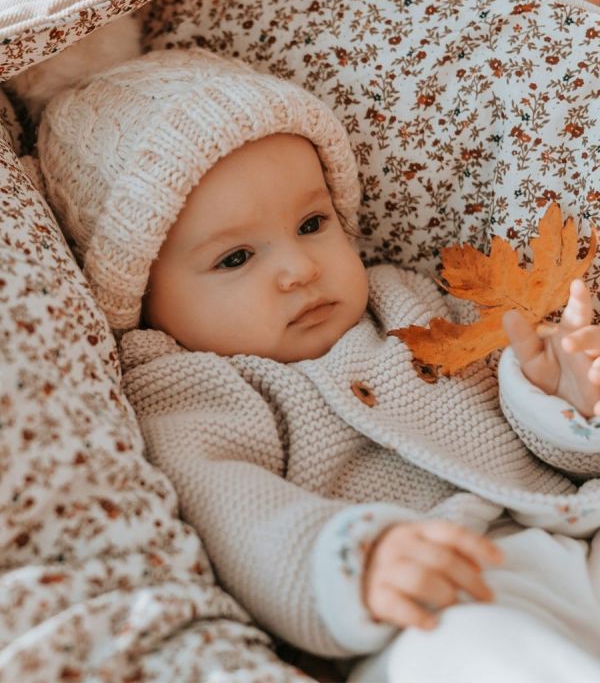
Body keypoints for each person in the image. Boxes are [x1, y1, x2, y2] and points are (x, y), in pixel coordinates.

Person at [38, 47, 600, 682]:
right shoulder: (192, 388)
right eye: (235, 259)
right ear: (141, 296)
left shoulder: (406, 300)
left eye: (311, 223)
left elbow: (538, 431)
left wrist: (563, 401)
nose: (299, 268)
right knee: (463, 655)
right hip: (435, 600)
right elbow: (234, 515)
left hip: (572, 526)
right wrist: (357, 559)